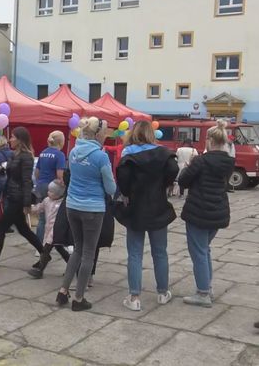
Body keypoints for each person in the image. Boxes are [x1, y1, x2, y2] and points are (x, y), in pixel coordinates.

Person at [116, 120, 179, 311]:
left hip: (136, 208)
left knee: (134, 253)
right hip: (158, 206)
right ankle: (162, 292)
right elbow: (174, 170)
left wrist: (126, 193)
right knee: (160, 252)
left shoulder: (128, 155)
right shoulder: (164, 153)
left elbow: (122, 179)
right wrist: (165, 184)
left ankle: (134, 296)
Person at [55, 118, 116, 311]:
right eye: (105, 132)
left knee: (78, 249)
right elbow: (110, 187)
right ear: (98, 134)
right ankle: (79, 298)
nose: (106, 135)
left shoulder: (73, 151)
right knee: (89, 252)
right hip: (92, 208)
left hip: (72, 205)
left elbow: (73, 174)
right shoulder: (100, 156)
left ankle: (63, 290)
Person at [178, 120, 234, 307]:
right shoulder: (228, 162)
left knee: (199, 252)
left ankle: (203, 293)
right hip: (218, 210)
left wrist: (187, 167)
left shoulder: (201, 161)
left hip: (199, 210)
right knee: (205, 250)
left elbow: (183, 181)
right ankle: (207, 288)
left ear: (209, 140)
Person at [0, 127, 44, 275]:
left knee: (0, 229)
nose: (10, 139)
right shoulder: (15, 155)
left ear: (20, 140)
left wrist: (27, 204)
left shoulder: (26, 157)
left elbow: (27, 181)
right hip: (12, 194)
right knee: (24, 230)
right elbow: (12, 173)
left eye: (13, 137)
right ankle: (45, 254)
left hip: (18, 198)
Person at [27, 180, 69, 279]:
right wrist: (30, 209)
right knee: (59, 249)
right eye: (49, 191)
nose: (48, 193)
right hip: (49, 229)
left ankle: (40, 270)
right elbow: (40, 208)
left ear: (58, 194)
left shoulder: (63, 203)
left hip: (56, 230)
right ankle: (73, 265)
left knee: (45, 250)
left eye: (51, 192)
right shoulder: (47, 200)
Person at [34, 131, 66, 243]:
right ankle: (53, 242)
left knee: (42, 218)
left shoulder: (43, 153)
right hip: (52, 188)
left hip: (40, 186)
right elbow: (60, 175)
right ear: (61, 142)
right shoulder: (60, 155)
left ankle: (38, 245)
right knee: (54, 217)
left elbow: (36, 172)